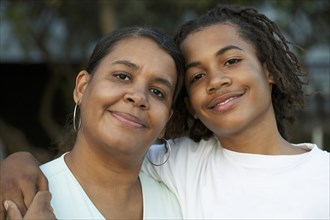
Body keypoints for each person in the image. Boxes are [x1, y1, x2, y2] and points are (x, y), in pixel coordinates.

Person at [1, 3, 329, 219]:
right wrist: (16, 164)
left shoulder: (322, 175)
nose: (216, 81)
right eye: (197, 76)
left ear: (269, 70)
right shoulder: (181, 163)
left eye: (231, 60)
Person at [0, 26, 185, 219]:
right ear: (82, 88)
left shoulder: (182, 203)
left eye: (158, 92)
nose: (138, 97)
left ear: (166, 122)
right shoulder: (24, 198)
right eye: (122, 76)